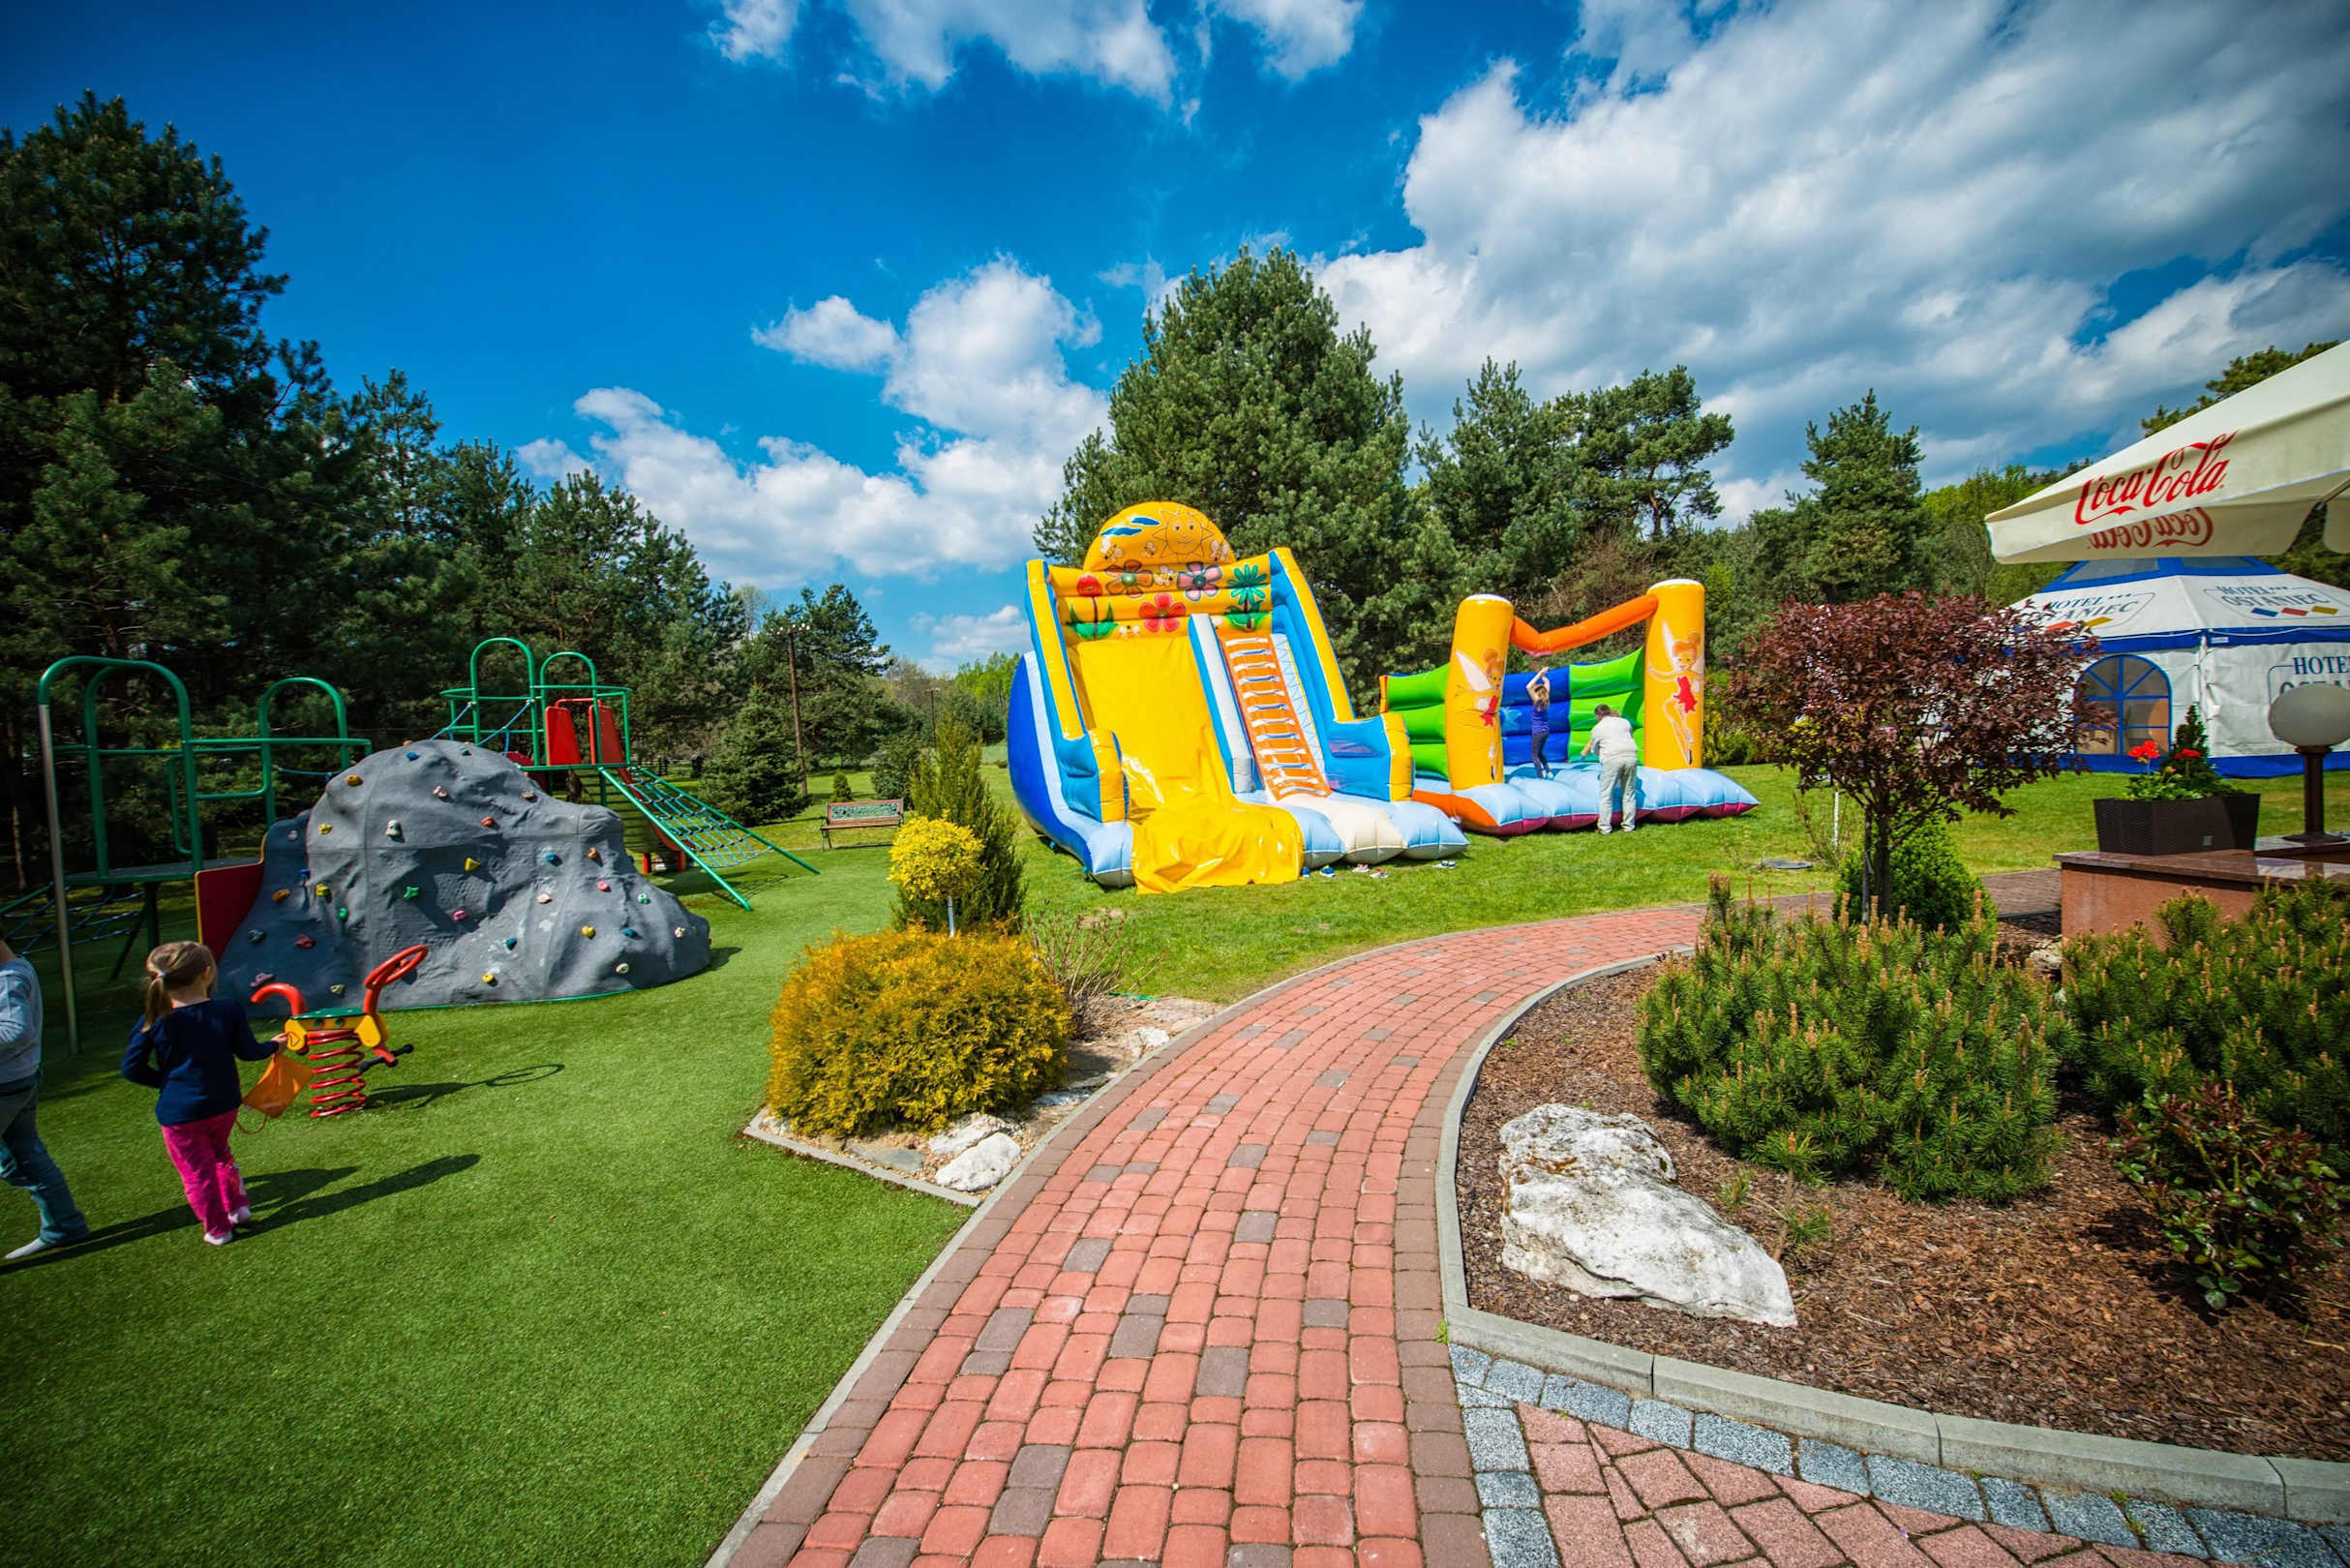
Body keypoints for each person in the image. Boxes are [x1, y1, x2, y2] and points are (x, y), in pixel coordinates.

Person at [121, 942, 281, 1246]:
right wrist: (274, 1045)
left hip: (181, 1113)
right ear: (207, 973)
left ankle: (218, 1229)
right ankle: (238, 1208)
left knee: (197, 1172)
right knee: (221, 1155)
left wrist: (168, 1083)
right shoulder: (227, 1009)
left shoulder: (154, 1019)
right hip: (223, 1104)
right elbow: (249, 1051)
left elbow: (132, 1068)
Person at [0, 916, 90, 1260]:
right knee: (22, 1156)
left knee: (22, 1157)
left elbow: (16, 1030)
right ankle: (64, 1225)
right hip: (18, 1079)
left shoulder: (8, 979)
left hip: (8, 1084)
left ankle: (64, 1225)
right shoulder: (16, 968)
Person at [1582, 702, 1641, 833]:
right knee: (1629, 794)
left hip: (1612, 758)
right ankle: (1629, 826)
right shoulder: (1624, 722)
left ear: (1597, 716)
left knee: (1606, 794)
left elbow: (1595, 750)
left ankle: (1604, 827)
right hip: (1631, 756)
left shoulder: (1597, 728)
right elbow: (1630, 737)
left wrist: (1602, 756)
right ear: (1609, 712)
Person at [1526, 671, 1553, 779]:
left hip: (1537, 733)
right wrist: (1542, 675)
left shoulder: (1537, 702)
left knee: (1534, 755)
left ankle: (1540, 777)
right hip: (1545, 732)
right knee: (1540, 752)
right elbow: (1547, 682)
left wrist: (1540, 673)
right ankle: (1549, 771)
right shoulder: (1546, 700)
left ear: (1538, 695)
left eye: (1535, 692)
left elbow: (1528, 687)